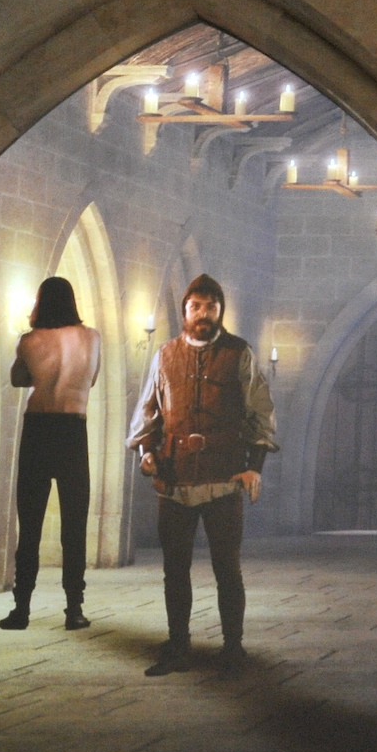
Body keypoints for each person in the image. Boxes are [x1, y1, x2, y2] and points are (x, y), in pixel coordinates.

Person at [128, 274, 277, 676]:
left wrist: (253, 468)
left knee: (226, 567)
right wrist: (146, 453)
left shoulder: (238, 353)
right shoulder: (165, 355)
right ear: (184, 311)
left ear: (220, 311)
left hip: (224, 477)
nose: (203, 314)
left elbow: (260, 413)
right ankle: (178, 646)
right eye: (196, 306)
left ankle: (233, 648)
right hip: (175, 479)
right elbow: (148, 414)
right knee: (174, 569)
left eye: (211, 307)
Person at [1, 277, 100, 631]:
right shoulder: (91, 337)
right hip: (73, 428)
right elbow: (92, 379)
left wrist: (40, 369)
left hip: (38, 428)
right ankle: (74, 609)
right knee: (74, 526)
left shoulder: (29, 341)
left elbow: (17, 379)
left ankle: (21, 609)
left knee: (30, 526)